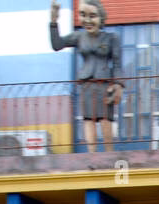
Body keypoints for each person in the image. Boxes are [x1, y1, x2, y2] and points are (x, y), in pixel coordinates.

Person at [50, 0, 123, 153]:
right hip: (87, 84)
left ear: (101, 18)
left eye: (93, 16)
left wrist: (118, 85)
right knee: (88, 119)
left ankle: (109, 153)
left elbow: (117, 64)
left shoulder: (112, 38)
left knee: (105, 120)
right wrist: (53, 22)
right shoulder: (79, 37)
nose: (88, 20)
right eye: (83, 15)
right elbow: (57, 44)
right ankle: (92, 155)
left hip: (105, 84)